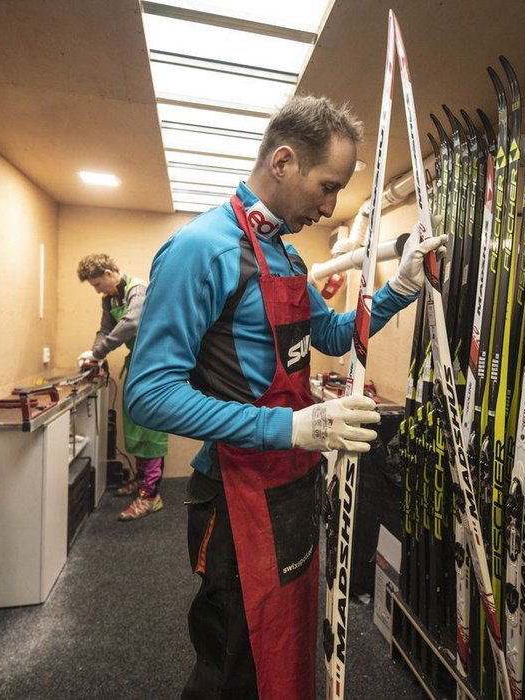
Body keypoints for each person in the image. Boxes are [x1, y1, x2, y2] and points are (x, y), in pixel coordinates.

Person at [124, 95, 444, 698]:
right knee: (232, 667)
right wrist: (294, 429)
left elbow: (325, 334)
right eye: (326, 187)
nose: (329, 207)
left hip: (291, 484)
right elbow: (148, 394)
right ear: (283, 161)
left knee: (286, 649)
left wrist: (400, 289)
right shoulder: (204, 249)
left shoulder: (284, 251)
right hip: (236, 490)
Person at [76, 254, 168, 521]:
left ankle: (151, 495)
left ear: (108, 272)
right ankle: (142, 481)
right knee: (135, 424)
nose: (97, 290)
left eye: (97, 284)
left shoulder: (136, 288)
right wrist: (95, 353)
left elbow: (133, 322)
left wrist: (100, 351)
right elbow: (105, 330)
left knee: (150, 427)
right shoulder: (110, 299)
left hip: (155, 363)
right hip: (137, 362)